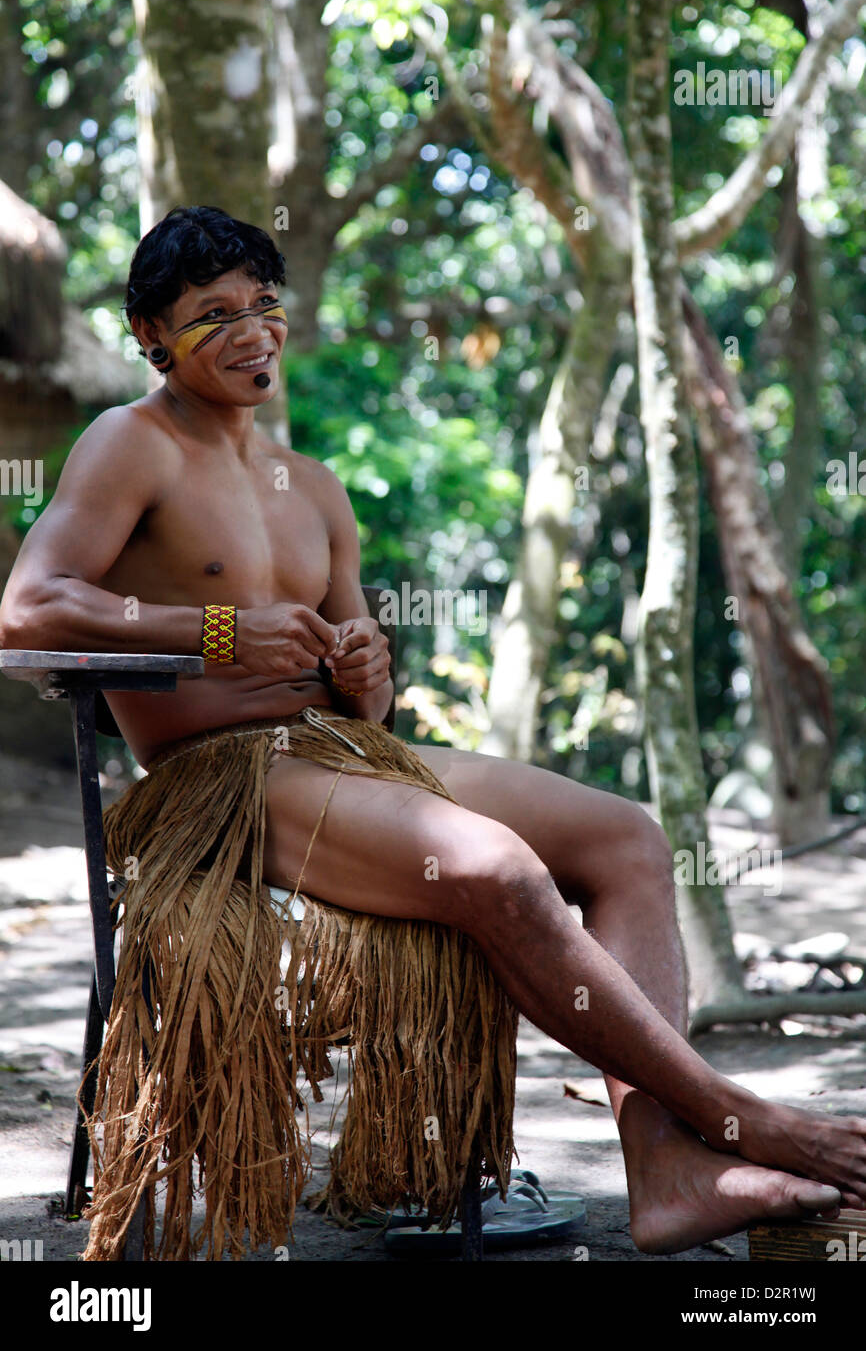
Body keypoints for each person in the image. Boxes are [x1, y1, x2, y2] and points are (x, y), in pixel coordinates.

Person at [1, 205, 863, 1258]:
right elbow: (29, 605)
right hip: (220, 781)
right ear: (150, 335)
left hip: (338, 753)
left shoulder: (310, 486)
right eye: (210, 315)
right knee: (496, 869)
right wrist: (216, 629)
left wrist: (366, 667)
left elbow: (364, 679)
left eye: (263, 306)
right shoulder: (128, 445)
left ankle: (667, 1163)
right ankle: (742, 1115)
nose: (250, 331)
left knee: (627, 837)